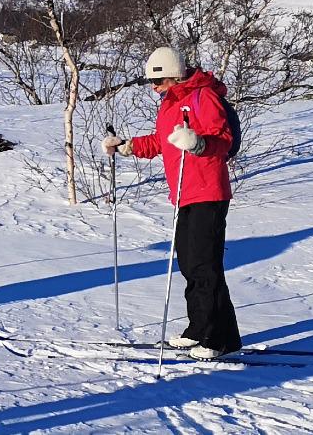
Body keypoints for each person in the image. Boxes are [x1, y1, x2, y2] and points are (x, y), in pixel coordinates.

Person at [101, 46, 242, 360]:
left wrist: (198, 142)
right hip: (184, 193)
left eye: (159, 80)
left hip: (208, 191)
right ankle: (202, 330)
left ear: (175, 75)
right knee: (190, 264)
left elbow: (223, 140)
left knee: (205, 266)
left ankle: (215, 338)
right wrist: (126, 146)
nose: (154, 87)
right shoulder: (169, 103)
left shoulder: (203, 97)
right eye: (151, 82)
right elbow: (160, 142)